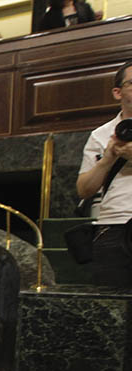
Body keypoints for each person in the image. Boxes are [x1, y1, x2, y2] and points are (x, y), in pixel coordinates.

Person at [76, 61, 132, 288]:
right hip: (112, 227)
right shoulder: (100, 135)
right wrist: (108, 159)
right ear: (117, 93)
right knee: (111, 309)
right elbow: (84, 190)